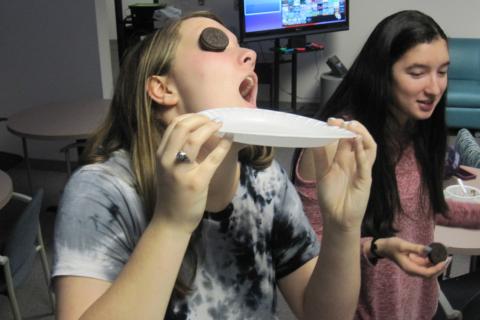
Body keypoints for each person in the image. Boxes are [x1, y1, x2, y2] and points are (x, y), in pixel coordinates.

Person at [52, 11, 377, 320]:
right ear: (163, 88)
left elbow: (322, 314)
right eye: (215, 44)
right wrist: (171, 223)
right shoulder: (102, 190)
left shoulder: (266, 180)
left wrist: (343, 227)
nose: (249, 55)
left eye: (241, 46)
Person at [292, 10, 480, 320]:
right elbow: (310, 253)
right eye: (417, 73)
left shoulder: (420, 127)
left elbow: (420, 208)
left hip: (420, 308)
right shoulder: (337, 143)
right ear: (382, 73)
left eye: (442, 71)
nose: (434, 88)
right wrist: (377, 247)